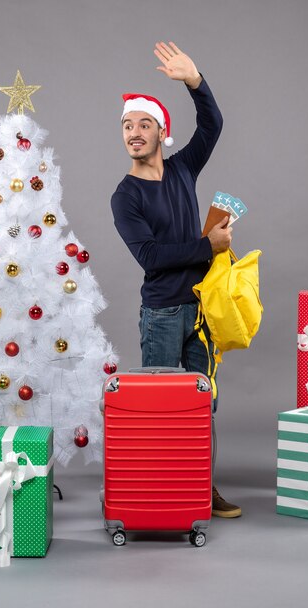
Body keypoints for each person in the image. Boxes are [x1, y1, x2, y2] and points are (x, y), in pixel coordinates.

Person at [111, 41, 240, 518]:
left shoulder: (184, 169)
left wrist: (195, 81)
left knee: (203, 405)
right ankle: (161, 491)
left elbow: (214, 125)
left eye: (144, 124)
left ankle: (202, 488)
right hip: (162, 315)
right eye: (127, 125)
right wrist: (208, 247)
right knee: (162, 409)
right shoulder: (124, 197)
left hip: (201, 310)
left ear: (162, 132)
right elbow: (150, 257)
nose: (134, 132)